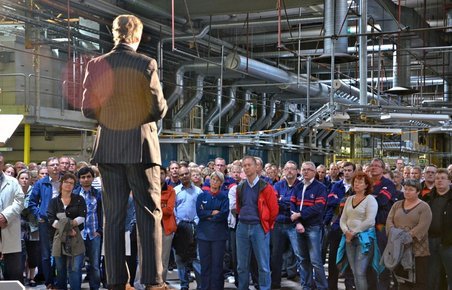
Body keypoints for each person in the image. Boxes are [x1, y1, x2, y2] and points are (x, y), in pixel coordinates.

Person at [82, 14, 168, 290]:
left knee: (113, 217)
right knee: (148, 213)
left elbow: (87, 109)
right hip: (140, 148)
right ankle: (153, 281)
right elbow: (158, 109)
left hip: (108, 148)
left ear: (114, 34)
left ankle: (117, 282)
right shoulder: (145, 63)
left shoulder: (96, 65)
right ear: (137, 36)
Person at [235, 156, 278, 290]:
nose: (246, 167)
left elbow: (274, 210)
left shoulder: (266, 187)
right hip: (242, 227)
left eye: (249, 165)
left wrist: (265, 225)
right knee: (241, 265)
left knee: (263, 265)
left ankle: (265, 288)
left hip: (259, 227)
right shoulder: (240, 186)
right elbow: (238, 207)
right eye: (244, 165)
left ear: (256, 167)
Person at [385, 179, 432, 290]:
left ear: (418, 192)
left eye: (411, 190)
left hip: (417, 251)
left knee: (419, 282)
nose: (407, 191)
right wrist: (395, 236)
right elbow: (389, 221)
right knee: (402, 281)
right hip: (399, 249)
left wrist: (405, 237)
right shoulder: (397, 205)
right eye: (405, 189)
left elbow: (423, 226)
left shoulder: (424, 207)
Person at [290, 161, 328, 290]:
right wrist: (298, 222)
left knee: (316, 261)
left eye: (308, 170)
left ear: (314, 172)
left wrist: (300, 215)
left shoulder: (320, 187)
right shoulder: (298, 186)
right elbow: (292, 206)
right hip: (299, 227)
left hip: (313, 227)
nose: (305, 172)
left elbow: (318, 208)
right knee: (303, 259)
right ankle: (306, 286)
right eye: (303, 169)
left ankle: (322, 287)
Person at [339, 171, 379, 290]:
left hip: (364, 239)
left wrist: (354, 232)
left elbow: (370, 220)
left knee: (360, 272)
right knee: (354, 271)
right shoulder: (349, 199)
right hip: (349, 238)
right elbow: (343, 218)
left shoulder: (370, 199)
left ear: (366, 185)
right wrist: (346, 232)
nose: (357, 184)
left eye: (360, 182)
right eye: (355, 182)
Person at [47, 173, 87, 290]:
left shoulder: (79, 199)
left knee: (74, 268)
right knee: (60, 268)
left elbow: (82, 217)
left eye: (71, 183)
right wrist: (67, 230)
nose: (68, 185)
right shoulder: (54, 201)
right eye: (66, 182)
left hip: (76, 238)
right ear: (61, 183)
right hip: (59, 238)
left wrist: (69, 226)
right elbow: (51, 219)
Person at [28, 156, 61, 289]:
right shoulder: (40, 183)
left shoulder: (66, 181)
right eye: (52, 165)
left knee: (61, 254)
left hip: (62, 222)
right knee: (46, 255)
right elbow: (32, 203)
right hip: (45, 223)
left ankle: (60, 281)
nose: (55, 167)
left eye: (56, 164)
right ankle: (49, 282)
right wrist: (39, 215)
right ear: (47, 168)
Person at [270, 161, 302, 289]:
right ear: (283, 170)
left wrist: (282, 201)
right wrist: (289, 203)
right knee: (276, 255)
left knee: (300, 254)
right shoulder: (278, 185)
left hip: (294, 224)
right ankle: (275, 283)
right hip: (278, 224)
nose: (289, 171)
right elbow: (274, 203)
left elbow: (299, 205)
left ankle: (306, 283)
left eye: (292, 169)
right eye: (287, 168)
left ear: (296, 171)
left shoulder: (300, 186)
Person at [325, 162, 356, 290]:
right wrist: (345, 201)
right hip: (337, 226)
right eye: (345, 170)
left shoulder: (357, 187)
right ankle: (332, 286)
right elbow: (331, 201)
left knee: (350, 259)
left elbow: (356, 205)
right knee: (333, 258)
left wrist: (342, 201)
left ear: (354, 172)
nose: (347, 172)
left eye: (349, 170)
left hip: (352, 228)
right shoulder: (336, 185)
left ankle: (350, 286)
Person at [196, 171, 229, 290]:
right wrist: (211, 213)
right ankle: (205, 287)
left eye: (217, 180)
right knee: (205, 265)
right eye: (213, 179)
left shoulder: (224, 197)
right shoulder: (202, 196)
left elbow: (223, 214)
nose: (214, 182)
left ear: (221, 183)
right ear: (209, 181)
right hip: (203, 235)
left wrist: (208, 216)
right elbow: (200, 213)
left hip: (218, 236)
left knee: (217, 265)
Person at [173, 165, 202, 290]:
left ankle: (200, 285)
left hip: (195, 226)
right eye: (181, 175)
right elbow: (173, 209)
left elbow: (201, 209)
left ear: (189, 174)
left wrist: (196, 222)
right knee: (180, 258)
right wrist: (178, 223)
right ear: (178, 177)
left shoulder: (198, 191)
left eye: (186, 174)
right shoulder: (175, 191)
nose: (184, 176)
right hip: (180, 228)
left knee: (196, 258)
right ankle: (184, 285)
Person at [77, 166, 103, 290]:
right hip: (78, 234)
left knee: (95, 264)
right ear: (79, 179)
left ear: (93, 178)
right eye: (83, 177)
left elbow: (103, 213)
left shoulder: (98, 194)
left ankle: (95, 287)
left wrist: (100, 230)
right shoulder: (75, 194)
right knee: (76, 264)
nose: (86, 179)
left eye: (88, 177)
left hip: (94, 233)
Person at [0, 153, 25, 283]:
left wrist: (5, 215)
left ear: (3, 165)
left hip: (8, 226)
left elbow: (20, 201)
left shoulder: (13, 181)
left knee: (14, 270)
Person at [428, 168, 452, 290]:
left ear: (449, 181)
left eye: (443, 178)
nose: (439, 181)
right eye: (437, 178)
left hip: (449, 243)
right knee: (432, 276)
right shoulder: (428, 198)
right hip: (431, 242)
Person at [18, 169, 40, 287]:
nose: (24, 180)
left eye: (27, 178)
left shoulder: (34, 191)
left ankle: (32, 277)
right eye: (22, 178)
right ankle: (21, 276)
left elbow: (35, 206)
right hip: (18, 225)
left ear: (30, 180)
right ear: (18, 180)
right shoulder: (15, 191)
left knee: (33, 253)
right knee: (20, 253)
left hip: (33, 225)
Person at [160, 167, 176, 283]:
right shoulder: (149, 189)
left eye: (162, 173)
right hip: (151, 228)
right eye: (157, 173)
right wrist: (162, 205)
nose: (159, 175)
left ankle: (161, 283)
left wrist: (156, 207)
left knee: (163, 260)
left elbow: (169, 210)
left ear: (166, 175)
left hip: (166, 228)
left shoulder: (171, 190)